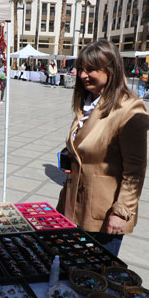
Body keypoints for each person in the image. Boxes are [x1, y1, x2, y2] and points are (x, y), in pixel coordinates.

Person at [56, 40, 149, 256]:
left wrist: (121, 212)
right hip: (73, 205)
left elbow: (135, 170)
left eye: (91, 70)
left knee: (98, 276)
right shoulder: (88, 102)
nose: (82, 75)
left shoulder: (129, 110)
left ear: (110, 71)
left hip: (103, 215)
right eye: (81, 69)